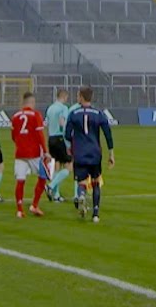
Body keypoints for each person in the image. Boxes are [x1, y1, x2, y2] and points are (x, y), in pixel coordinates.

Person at [65, 87, 115, 223]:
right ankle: (96, 214)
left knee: (81, 181)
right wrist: (111, 153)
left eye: (78, 95)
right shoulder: (98, 113)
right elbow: (107, 133)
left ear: (81, 97)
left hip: (80, 152)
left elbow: (67, 134)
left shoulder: (74, 113)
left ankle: (81, 195)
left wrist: (70, 147)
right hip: (95, 153)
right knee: (95, 182)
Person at [10, 92, 48, 218]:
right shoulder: (36, 115)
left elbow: (13, 136)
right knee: (44, 176)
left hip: (20, 152)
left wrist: (21, 143)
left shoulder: (15, 116)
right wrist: (46, 151)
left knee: (20, 180)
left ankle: (19, 210)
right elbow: (40, 135)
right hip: (34, 153)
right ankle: (34, 205)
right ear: (32, 102)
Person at [44, 89, 72, 202]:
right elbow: (62, 122)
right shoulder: (63, 108)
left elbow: (46, 124)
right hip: (60, 137)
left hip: (51, 138)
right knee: (69, 166)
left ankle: (56, 195)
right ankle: (50, 186)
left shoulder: (50, 108)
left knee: (57, 165)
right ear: (64, 97)